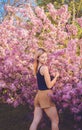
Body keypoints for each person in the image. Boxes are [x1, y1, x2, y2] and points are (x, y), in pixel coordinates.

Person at [29, 48, 59, 130]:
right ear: (38, 58)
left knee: (35, 121)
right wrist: (56, 77)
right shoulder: (44, 68)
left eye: (46, 57)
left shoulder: (37, 67)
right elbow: (49, 85)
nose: (45, 59)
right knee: (55, 120)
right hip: (46, 95)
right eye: (42, 57)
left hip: (39, 95)